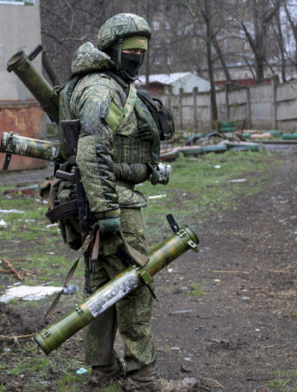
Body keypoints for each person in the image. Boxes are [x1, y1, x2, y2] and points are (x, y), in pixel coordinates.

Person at [59, 13, 197, 392]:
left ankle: (101, 371)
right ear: (111, 48)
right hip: (111, 205)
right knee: (134, 286)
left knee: (102, 289)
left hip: (94, 199)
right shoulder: (103, 88)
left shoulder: (95, 82)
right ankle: (142, 378)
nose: (137, 57)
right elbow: (91, 150)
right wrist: (106, 213)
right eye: (131, 50)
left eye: (142, 51)